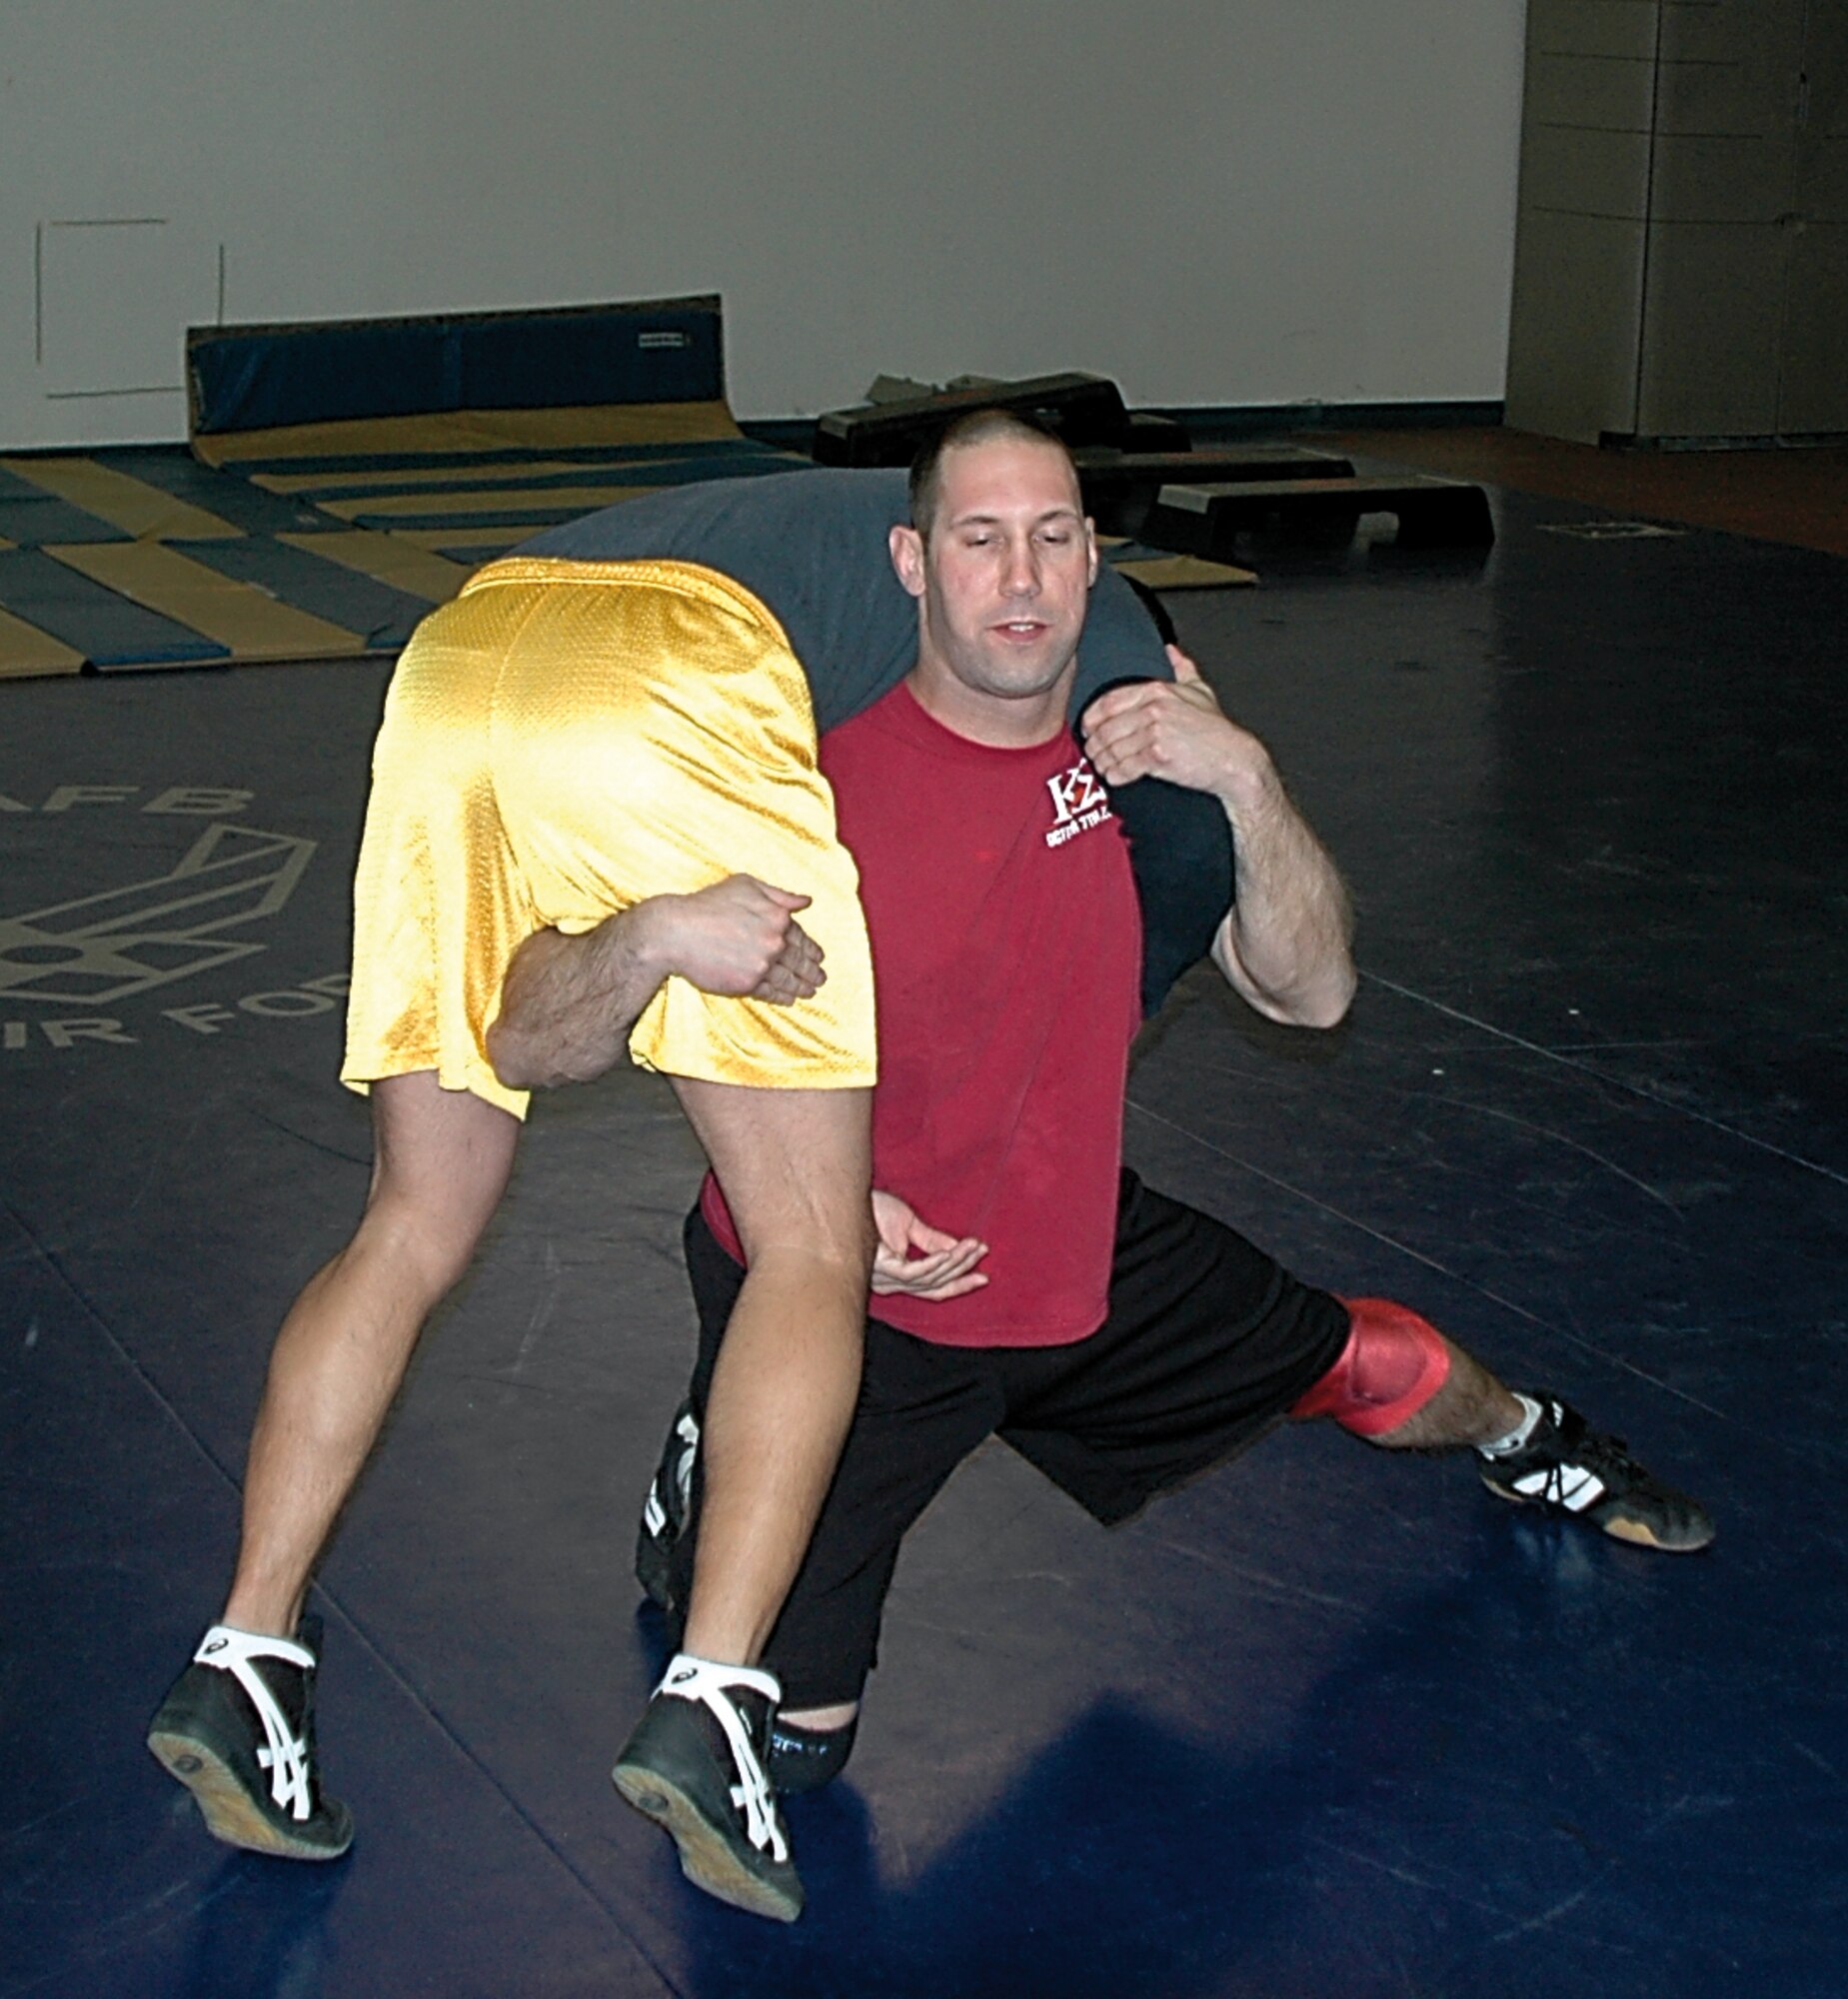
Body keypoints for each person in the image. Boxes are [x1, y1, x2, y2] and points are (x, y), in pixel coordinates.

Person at [585, 411, 1716, 1876]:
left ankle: (1531, 1440)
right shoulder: (812, 786)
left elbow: (1311, 992)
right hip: (858, 1288)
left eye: (1053, 537)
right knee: (797, 1746)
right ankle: (715, 1448)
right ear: (911, 566)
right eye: (980, 540)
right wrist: (829, 1202)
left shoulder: (1158, 790)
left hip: (1074, 1257)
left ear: (1093, 565)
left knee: (1372, 1367)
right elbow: (687, 1005)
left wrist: (1244, 773)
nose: (1021, 576)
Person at [147, 468, 1228, 1925]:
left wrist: (651, 929)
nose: (1023, 589)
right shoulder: (1097, 627)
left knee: (411, 1220)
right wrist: (1205, 758)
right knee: (808, 1245)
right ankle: (716, 1696)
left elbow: (540, 1035)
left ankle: (246, 1652)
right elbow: (1151, 864)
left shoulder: (836, 533)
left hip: (462, 657)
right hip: (677, 676)